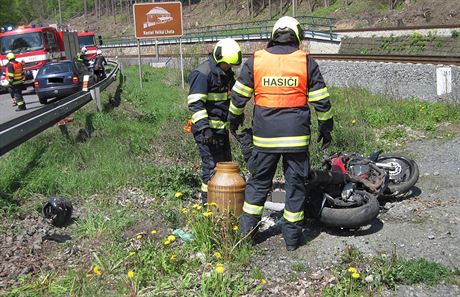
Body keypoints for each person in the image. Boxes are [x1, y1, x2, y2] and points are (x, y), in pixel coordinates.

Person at [228, 16, 334, 251]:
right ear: (297, 36)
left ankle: (247, 235)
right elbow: (322, 102)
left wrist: (234, 119)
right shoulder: (305, 61)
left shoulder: (256, 60)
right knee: (295, 186)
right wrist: (326, 128)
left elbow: (238, 98)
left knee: (258, 183)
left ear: (273, 35)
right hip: (296, 139)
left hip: (264, 138)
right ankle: (292, 240)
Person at [188, 38, 242, 204]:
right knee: (211, 168)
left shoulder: (225, 74)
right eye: (227, 64)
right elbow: (195, 103)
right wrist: (204, 128)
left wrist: (236, 116)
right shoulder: (202, 74)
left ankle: (224, 201)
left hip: (220, 130)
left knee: (225, 167)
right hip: (206, 131)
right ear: (219, 58)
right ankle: (208, 205)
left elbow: (228, 100)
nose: (229, 68)